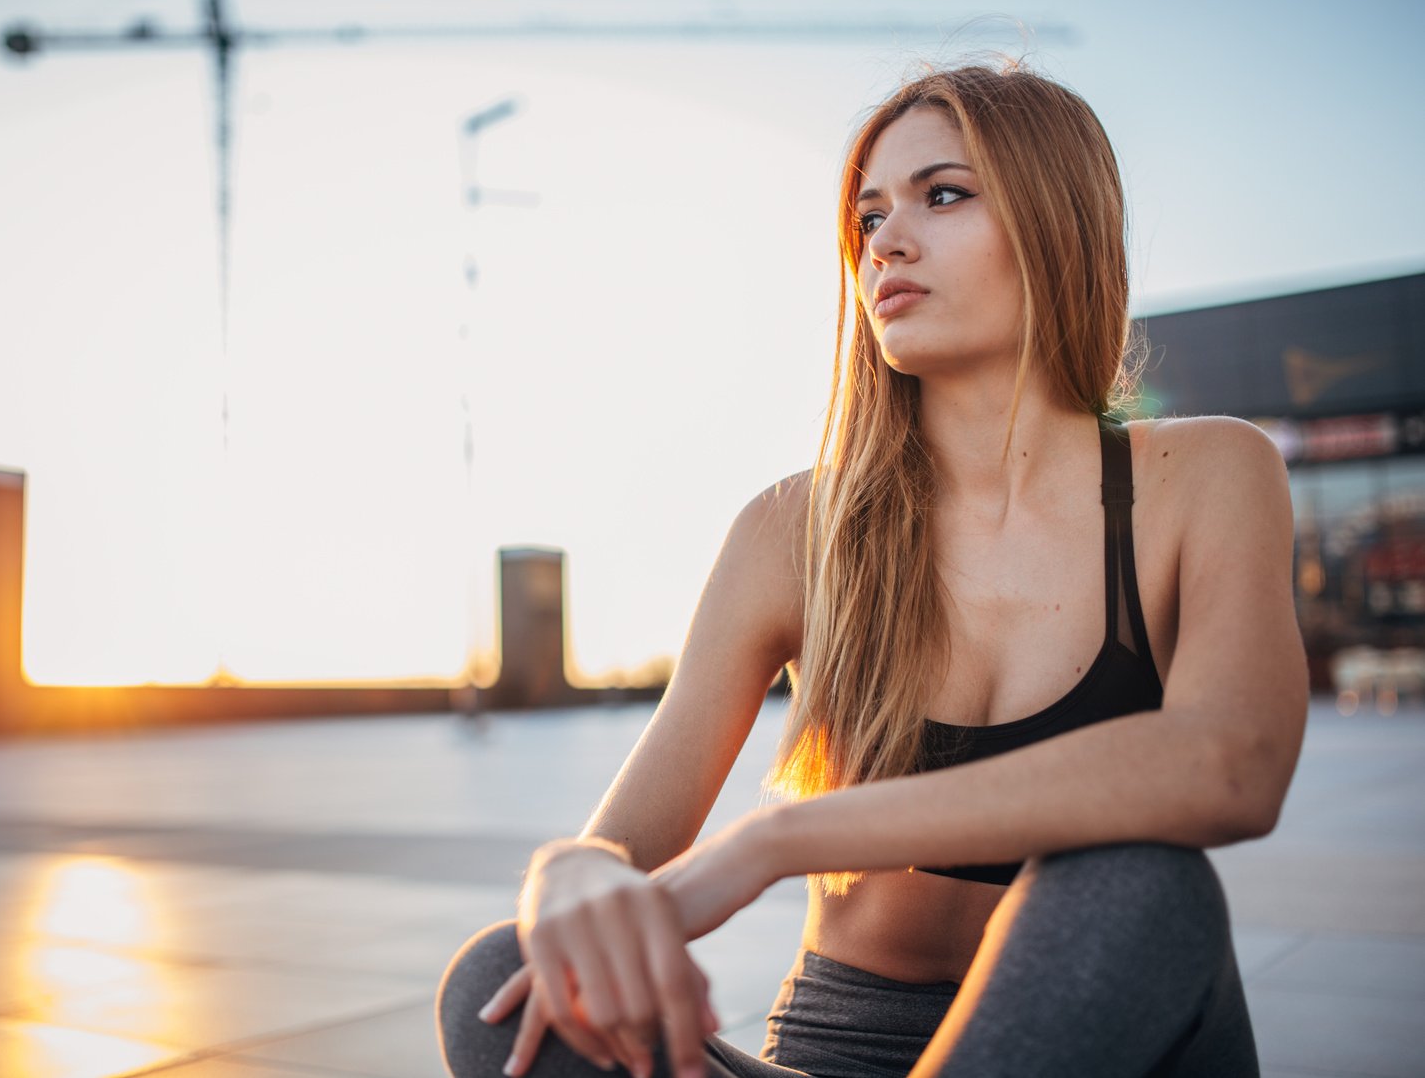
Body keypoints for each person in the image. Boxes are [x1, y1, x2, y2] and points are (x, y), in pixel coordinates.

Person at [436, 60, 1308, 1078]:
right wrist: (569, 876)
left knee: (1134, 881)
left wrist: (772, 842)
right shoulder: (792, 528)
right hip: (838, 1047)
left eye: (942, 195)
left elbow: (1230, 765)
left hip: (1107, 1035)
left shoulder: (1204, 474)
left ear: (1054, 218)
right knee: (498, 987)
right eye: (867, 218)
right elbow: (622, 845)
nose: (886, 242)